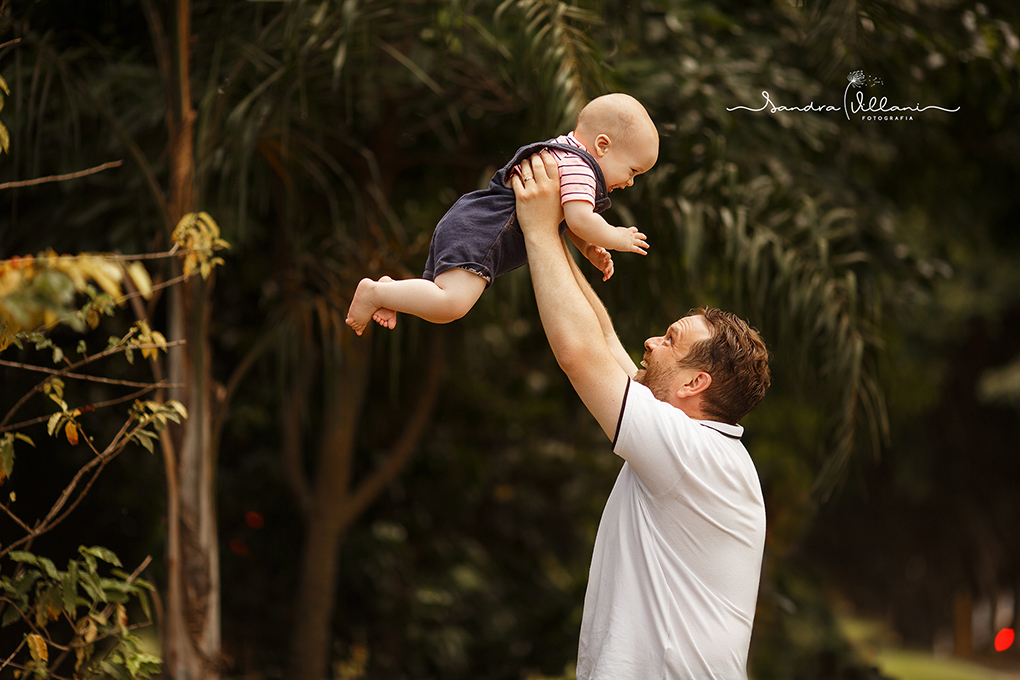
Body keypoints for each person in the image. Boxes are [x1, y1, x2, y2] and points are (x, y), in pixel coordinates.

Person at [512, 150, 772, 679]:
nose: (651, 342)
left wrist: (536, 230)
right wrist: (559, 231)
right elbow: (602, 339)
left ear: (694, 384)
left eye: (670, 340)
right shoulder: (700, 444)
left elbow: (579, 355)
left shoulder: (691, 451)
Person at [345, 93, 659, 335]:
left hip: (471, 221)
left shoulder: (565, 153)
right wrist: (617, 237)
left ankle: (390, 291)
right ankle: (377, 292)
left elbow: (568, 216)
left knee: (442, 303)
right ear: (603, 145)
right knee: (451, 305)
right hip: (482, 231)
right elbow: (580, 218)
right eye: (632, 170)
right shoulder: (581, 167)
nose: (630, 182)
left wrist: (588, 247)